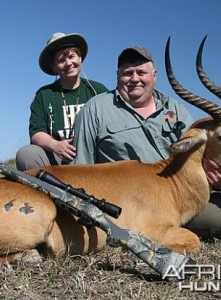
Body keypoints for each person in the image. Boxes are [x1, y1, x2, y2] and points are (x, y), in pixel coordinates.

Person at [72, 45, 221, 238]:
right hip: (128, 202)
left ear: (154, 76)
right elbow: (82, 167)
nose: (135, 79)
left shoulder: (175, 108)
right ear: (117, 76)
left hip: (176, 194)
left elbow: (198, 158)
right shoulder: (95, 108)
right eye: (127, 73)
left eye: (141, 72)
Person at [16, 32, 108, 171]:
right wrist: (55, 146)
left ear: (80, 58)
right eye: (61, 60)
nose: (68, 63)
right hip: (58, 157)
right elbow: (36, 133)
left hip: (94, 156)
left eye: (72, 56)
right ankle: (54, 190)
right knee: (26, 155)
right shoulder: (44, 95)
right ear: (53, 67)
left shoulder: (98, 90)